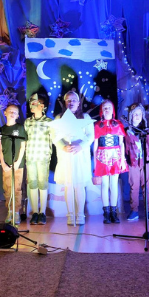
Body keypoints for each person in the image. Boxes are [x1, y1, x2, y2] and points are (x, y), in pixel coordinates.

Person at [51, 90, 94, 226]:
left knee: (79, 185)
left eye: (74, 100)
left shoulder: (85, 118)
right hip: (66, 156)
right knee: (68, 186)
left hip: (80, 156)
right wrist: (63, 146)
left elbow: (90, 136)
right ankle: (70, 214)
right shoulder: (59, 118)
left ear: (78, 103)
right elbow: (54, 136)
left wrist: (81, 146)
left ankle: (80, 214)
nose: (71, 102)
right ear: (65, 103)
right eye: (68, 100)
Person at [92, 100, 128, 224]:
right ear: (101, 111)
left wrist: (122, 159)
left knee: (114, 184)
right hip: (102, 156)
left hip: (115, 156)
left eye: (109, 107)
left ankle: (114, 212)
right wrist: (95, 163)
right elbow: (95, 146)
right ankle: (106, 213)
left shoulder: (118, 124)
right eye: (104, 107)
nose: (107, 109)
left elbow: (122, 143)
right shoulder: (98, 125)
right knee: (104, 184)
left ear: (113, 110)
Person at [24, 93, 52, 225]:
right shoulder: (27, 122)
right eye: (31, 103)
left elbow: (53, 139)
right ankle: (35, 212)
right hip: (31, 157)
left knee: (42, 184)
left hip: (43, 157)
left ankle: (42, 212)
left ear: (42, 106)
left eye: (34, 103)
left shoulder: (48, 122)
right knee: (32, 184)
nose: (32, 105)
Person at [124, 103, 149, 222]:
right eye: (135, 114)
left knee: (147, 186)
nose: (137, 116)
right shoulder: (127, 132)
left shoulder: (146, 131)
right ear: (131, 115)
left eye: (139, 114)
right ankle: (134, 211)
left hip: (145, 161)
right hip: (133, 162)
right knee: (134, 186)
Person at [0, 103, 27, 224]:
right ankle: (9, 211)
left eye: (15, 112)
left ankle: (16, 212)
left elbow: (23, 146)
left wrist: (18, 161)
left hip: (18, 165)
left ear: (18, 115)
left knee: (17, 189)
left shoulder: (19, 128)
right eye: (10, 111)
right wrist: (3, 163)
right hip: (6, 164)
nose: (12, 113)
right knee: (7, 188)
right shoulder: (2, 130)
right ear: (5, 113)